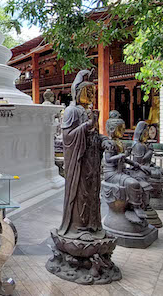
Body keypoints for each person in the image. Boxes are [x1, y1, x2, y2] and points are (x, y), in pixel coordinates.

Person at [58, 69, 104, 239]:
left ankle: (92, 224)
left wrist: (103, 140)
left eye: (93, 92)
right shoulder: (72, 111)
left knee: (92, 191)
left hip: (92, 158)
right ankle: (78, 225)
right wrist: (87, 125)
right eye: (88, 92)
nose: (91, 95)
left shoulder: (90, 111)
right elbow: (67, 137)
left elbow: (95, 134)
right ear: (78, 93)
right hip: (79, 159)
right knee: (81, 192)